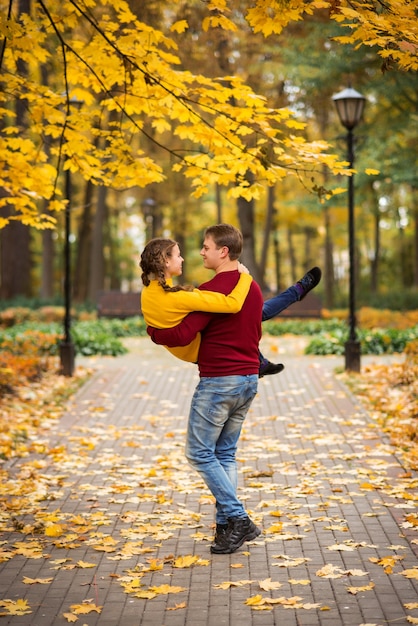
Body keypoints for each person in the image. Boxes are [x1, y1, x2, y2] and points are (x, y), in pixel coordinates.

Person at [142, 224, 263, 554]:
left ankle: (238, 519)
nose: (200, 252)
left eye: (206, 246)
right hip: (249, 378)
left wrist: (154, 333)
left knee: (198, 453)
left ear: (223, 251)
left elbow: (182, 335)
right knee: (225, 454)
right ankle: (226, 529)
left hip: (220, 381)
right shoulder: (251, 287)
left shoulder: (210, 292)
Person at [140, 238, 321, 376]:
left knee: (252, 312)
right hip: (204, 349)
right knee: (248, 311)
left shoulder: (147, 293)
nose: (183, 259)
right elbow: (233, 304)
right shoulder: (178, 298)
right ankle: (296, 292)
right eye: (178, 255)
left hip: (190, 349)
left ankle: (261, 360)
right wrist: (245, 277)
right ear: (165, 261)